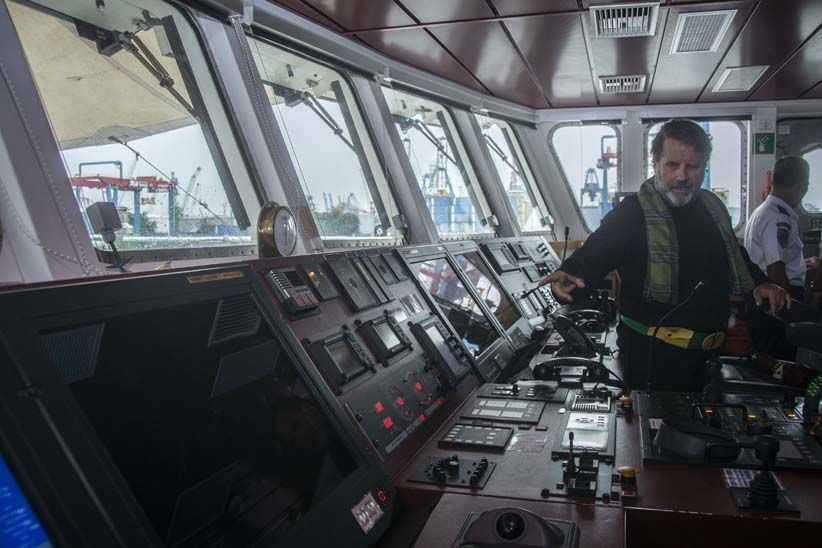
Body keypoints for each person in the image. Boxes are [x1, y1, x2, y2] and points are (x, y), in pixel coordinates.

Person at [540, 119, 788, 392]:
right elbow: (597, 251)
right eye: (672, 165)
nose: (682, 176)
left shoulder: (713, 208)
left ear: (703, 165)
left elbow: (733, 252)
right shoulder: (631, 213)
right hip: (653, 360)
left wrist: (761, 282)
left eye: (692, 167)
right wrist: (571, 275)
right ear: (655, 162)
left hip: (709, 357)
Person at [744, 156, 811, 301]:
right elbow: (776, 272)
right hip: (779, 297)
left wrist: (798, 265)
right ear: (800, 186)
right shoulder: (778, 218)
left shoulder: (764, 210)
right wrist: (792, 308)